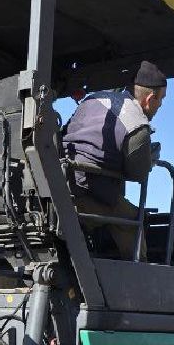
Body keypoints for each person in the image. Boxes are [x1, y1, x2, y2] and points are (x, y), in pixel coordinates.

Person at [61, 60, 165, 260]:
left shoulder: (93, 99)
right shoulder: (137, 126)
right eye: (161, 100)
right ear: (150, 98)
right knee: (133, 219)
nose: (160, 105)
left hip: (61, 183)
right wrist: (149, 159)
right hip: (88, 194)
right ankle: (138, 272)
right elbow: (139, 174)